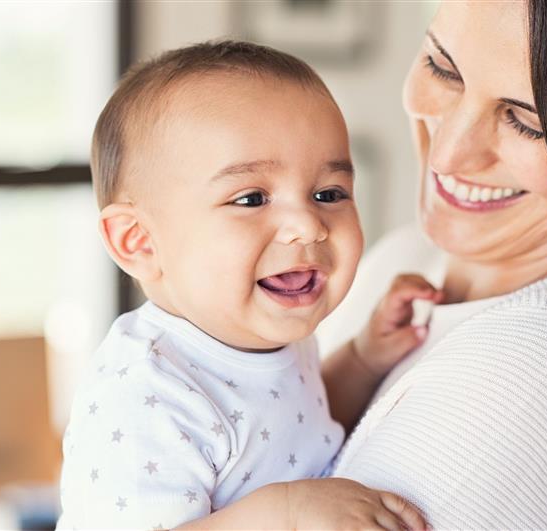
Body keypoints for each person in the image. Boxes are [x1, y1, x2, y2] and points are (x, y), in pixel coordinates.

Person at [56, 41, 434, 530]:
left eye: (329, 193)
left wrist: (365, 358)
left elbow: (295, 426)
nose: (308, 225)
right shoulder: (146, 394)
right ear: (140, 241)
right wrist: (288, 514)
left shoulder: (273, 340)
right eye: (252, 198)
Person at [312, 0, 547, 528]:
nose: (447, 156)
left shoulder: (540, 368)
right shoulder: (404, 258)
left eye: (527, 122)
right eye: (442, 67)